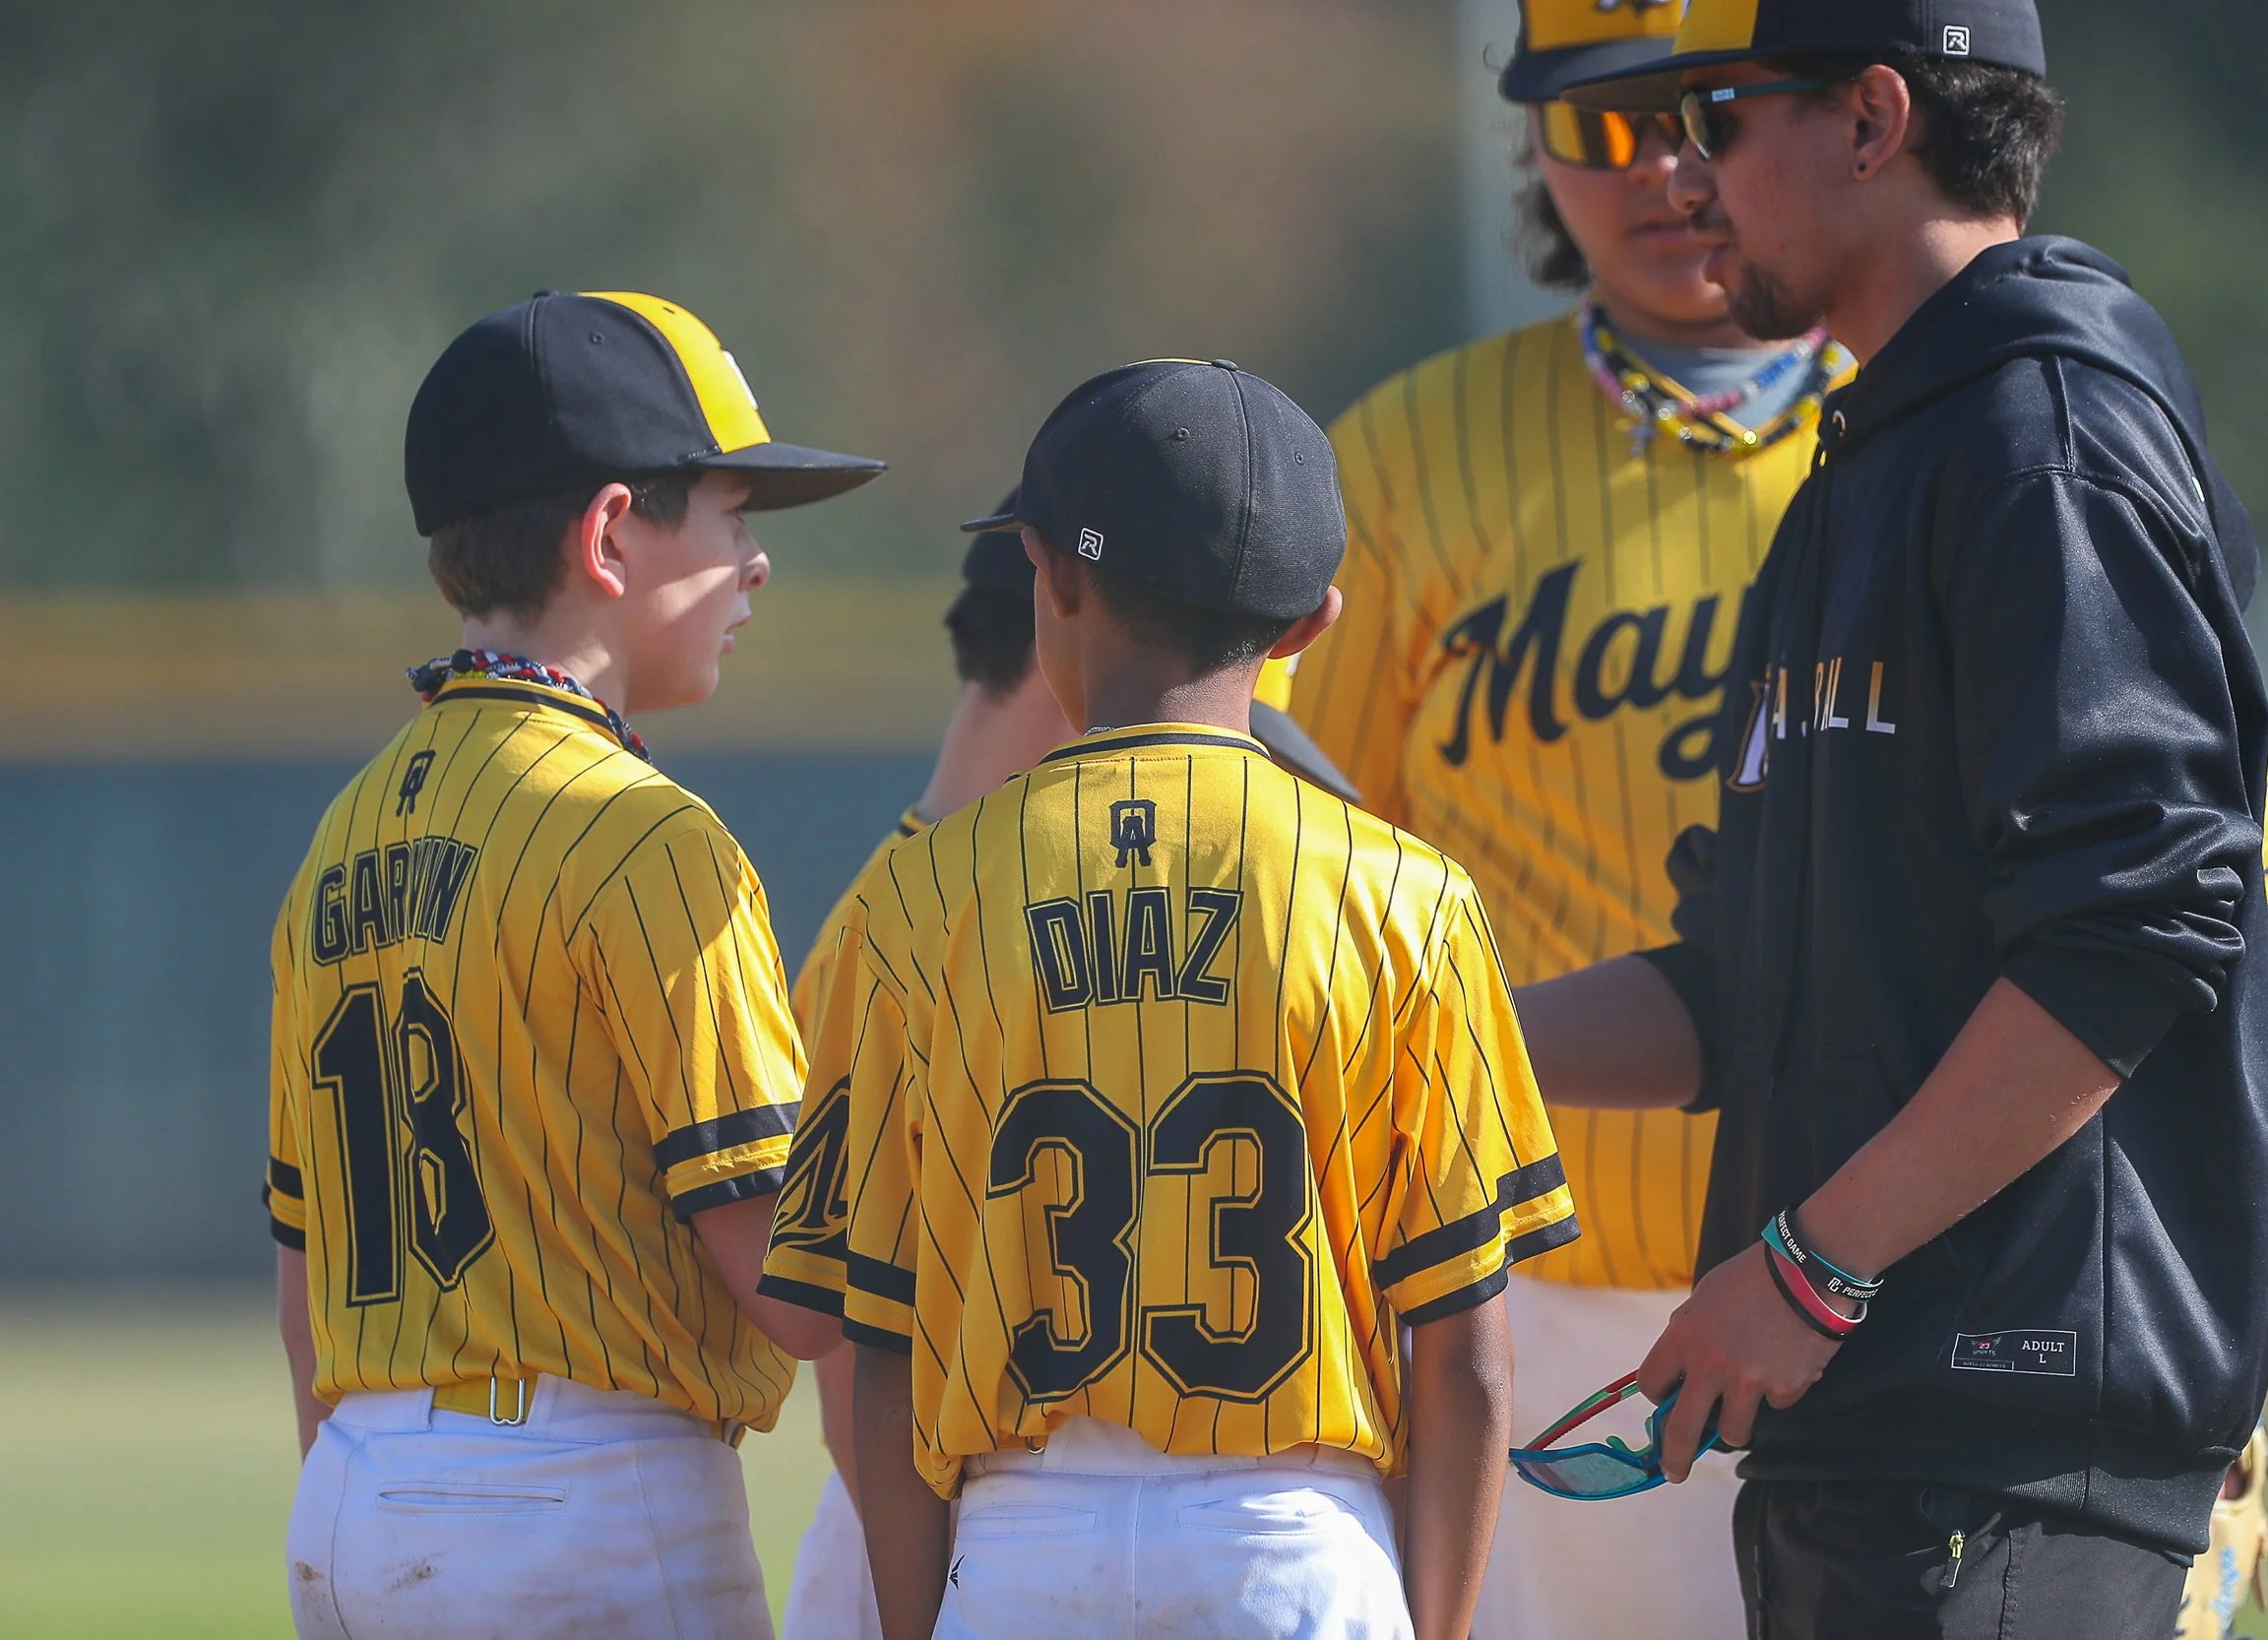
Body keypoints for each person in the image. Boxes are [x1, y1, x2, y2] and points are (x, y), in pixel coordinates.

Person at [1519, 4, 2268, 1632]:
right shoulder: (1862, 470)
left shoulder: (2041, 438)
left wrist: (1810, 1265)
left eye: (1725, 114)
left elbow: (2130, 928)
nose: (1687, 167)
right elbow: (1743, 988)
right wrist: (1430, 1039)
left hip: (2009, 1439)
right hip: (1872, 1441)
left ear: (1871, 120)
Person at [759, 358, 1576, 1640]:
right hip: (1289, 1540)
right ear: (1313, 622)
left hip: (1024, 1535)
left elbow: (883, 1345)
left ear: (1052, 575)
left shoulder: (918, 898)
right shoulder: (1406, 892)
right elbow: (1467, 1353)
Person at [1287, 2, 1841, 1632]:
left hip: (1889, 1281)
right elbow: (1295, 880)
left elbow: (2233, 886)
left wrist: (2188, 1315)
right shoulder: (1398, 462)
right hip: (1517, 1295)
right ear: (1533, 143)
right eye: (1609, 123)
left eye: (1714, 113)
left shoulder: (1960, 426)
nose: (1669, 168)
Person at [266, 289, 865, 1639]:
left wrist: (376, 1501)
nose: (754, 561)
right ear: (608, 533)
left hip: (358, 1487)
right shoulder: (642, 834)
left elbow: (304, 1270)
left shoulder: (343, 834)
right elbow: (791, 1276)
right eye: (728, 513)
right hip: (579, 1494)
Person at [775, 509, 1363, 1640]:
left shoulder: (897, 914)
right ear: (1073, 641)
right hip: (940, 1531)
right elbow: (859, 1359)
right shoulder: (905, 935)